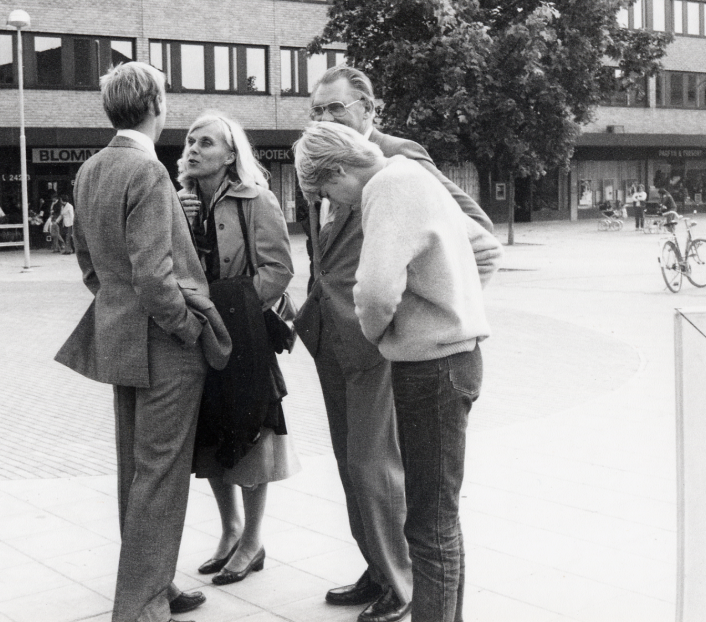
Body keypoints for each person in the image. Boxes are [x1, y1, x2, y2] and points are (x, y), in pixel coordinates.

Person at [295, 65, 498, 622]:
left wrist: (436, 312)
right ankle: (379, 566)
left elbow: (475, 236)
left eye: (336, 109)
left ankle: (400, 582)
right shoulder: (329, 162)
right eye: (317, 112)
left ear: (368, 109)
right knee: (356, 470)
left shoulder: (398, 161)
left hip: (394, 348)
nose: (326, 120)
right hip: (338, 339)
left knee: (388, 481)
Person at [54, 62, 231, 622]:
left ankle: (157, 582)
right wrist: (189, 328)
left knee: (136, 471)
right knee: (161, 475)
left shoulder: (90, 170)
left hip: (120, 342)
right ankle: (141, 604)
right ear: (157, 104)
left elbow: (89, 264)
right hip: (164, 347)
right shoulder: (148, 171)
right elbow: (156, 276)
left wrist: (117, 307)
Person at [175, 111, 300, 586]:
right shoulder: (179, 202)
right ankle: (229, 531)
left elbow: (278, 268)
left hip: (242, 334)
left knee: (252, 430)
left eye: (206, 142)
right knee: (209, 434)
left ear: (230, 154)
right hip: (198, 333)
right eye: (189, 141)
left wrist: (235, 309)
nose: (193, 148)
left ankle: (253, 539)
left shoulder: (257, 199)